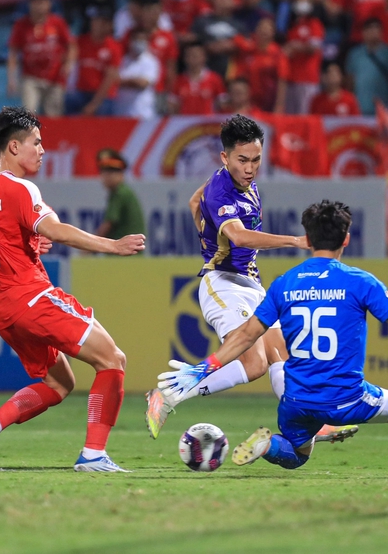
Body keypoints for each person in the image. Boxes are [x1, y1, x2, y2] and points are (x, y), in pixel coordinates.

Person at [157, 200, 388, 470]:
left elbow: (246, 336)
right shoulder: (359, 281)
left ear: (309, 238)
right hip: (346, 399)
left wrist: (202, 368)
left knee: (298, 454)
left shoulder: (285, 283)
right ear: (346, 239)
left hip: (295, 400)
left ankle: (270, 446)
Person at [145, 116, 354, 445]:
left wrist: (204, 230)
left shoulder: (239, 182)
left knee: (282, 353)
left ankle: (312, 423)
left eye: (256, 160)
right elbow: (240, 237)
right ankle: (168, 394)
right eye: (242, 160)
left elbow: (194, 201)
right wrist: (295, 241)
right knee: (253, 362)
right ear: (224, 157)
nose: (250, 168)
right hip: (223, 283)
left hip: (251, 285)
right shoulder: (221, 190)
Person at [0, 107, 145, 473]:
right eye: (36, 143)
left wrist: (20, 242)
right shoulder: (21, 188)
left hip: (2, 308)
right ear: (14, 147)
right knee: (113, 359)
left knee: (59, 383)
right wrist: (112, 245)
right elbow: (57, 231)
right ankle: (93, 455)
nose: (43, 150)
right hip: (32, 298)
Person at [7, 0, 76, 117]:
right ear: (29, 4)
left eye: (42, 2)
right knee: (28, 114)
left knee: (53, 115)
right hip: (30, 77)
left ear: (49, 4)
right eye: (36, 2)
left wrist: (68, 65)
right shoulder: (21, 25)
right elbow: (13, 52)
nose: (39, 6)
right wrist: (11, 78)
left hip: (55, 77)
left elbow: (71, 46)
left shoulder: (57, 23)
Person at [66, 6, 121, 116]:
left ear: (109, 25)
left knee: (104, 109)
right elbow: (68, 55)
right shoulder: (81, 42)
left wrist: (94, 104)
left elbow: (109, 79)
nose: (97, 25)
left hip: (103, 96)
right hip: (81, 92)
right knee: (68, 100)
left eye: (101, 22)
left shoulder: (114, 47)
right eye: (95, 21)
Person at [344, 17, 388, 115]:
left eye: (376, 29)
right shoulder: (354, 54)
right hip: (359, 107)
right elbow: (350, 81)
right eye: (369, 29)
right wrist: (350, 105)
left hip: (383, 108)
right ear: (363, 33)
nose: (373, 32)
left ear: (381, 32)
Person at [283, 0, 324, 114]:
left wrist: (296, 47)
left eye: (304, 0)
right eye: (298, 0)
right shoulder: (292, 27)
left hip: (308, 79)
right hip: (291, 79)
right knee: (290, 117)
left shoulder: (314, 24)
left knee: (305, 115)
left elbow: (314, 48)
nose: (301, 3)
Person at [95, 148, 146, 242]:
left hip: (124, 248)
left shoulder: (120, 193)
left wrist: (91, 244)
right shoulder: (124, 191)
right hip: (131, 247)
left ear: (121, 174)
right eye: (104, 172)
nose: (106, 177)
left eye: (111, 172)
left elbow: (108, 225)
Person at [168, 42, 227, 114]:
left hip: (207, 120)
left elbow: (222, 104)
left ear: (204, 57)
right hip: (185, 120)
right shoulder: (179, 80)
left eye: (196, 55)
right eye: (189, 55)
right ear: (185, 58)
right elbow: (173, 106)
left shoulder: (215, 79)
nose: (193, 58)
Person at [116, 27, 161, 118]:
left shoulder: (151, 61)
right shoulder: (122, 60)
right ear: (130, 41)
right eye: (137, 39)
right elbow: (112, 80)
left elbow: (143, 84)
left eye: (143, 40)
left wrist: (121, 81)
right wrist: (133, 81)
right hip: (120, 113)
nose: (140, 42)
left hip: (142, 113)